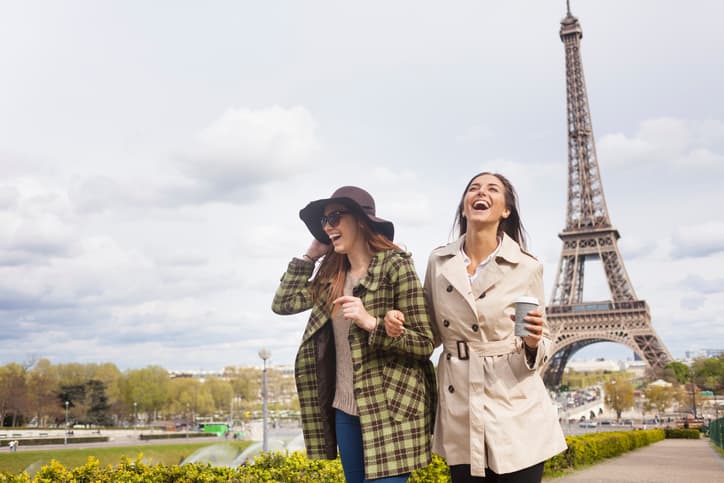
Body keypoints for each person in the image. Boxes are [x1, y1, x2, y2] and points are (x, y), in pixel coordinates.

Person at [386, 172, 567, 482]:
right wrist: (396, 322)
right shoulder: (438, 261)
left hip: (513, 401)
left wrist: (533, 342)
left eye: (492, 189)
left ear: (505, 210)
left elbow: (543, 338)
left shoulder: (527, 265)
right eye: (474, 188)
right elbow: (427, 330)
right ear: (464, 206)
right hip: (460, 403)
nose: (480, 192)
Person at [272, 185, 437, 483]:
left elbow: (424, 343)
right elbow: (282, 303)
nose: (328, 226)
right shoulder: (331, 277)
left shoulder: (396, 266)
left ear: (361, 220)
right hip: (345, 411)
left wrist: (371, 322)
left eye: (335, 217)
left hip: (390, 410)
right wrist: (311, 255)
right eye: (324, 222)